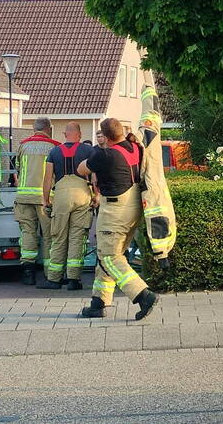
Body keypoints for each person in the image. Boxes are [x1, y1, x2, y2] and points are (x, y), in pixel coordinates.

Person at [77, 118, 158, 320]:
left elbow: (81, 169)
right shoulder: (134, 148)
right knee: (107, 254)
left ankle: (142, 295)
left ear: (105, 136)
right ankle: (98, 303)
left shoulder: (106, 155)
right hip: (133, 206)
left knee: (110, 257)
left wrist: (93, 155)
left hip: (114, 211)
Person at [37, 122, 96, 290]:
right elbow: (95, 177)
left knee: (58, 236)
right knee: (77, 237)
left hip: (62, 194)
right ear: (79, 134)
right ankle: (73, 280)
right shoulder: (88, 151)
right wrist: (96, 195)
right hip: (82, 193)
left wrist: (46, 199)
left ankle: (54, 279)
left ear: (65, 134)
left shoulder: (54, 151)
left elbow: (48, 178)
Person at [14, 117, 60, 285]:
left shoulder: (23, 145)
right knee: (49, 235)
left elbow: (18, 169)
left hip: (24, 196)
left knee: (28, 232)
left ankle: (28, 271)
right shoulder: (54, 146)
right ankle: (50, 274)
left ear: (34, 129)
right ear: (48, 129)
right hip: (45, 198)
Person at [137, 84, 176, 263]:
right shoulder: (151, 131)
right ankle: (161, 252)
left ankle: (160, 252)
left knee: (158, 213)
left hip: (150, 181)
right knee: (161, 212)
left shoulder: (146, 132)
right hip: (154, 180)